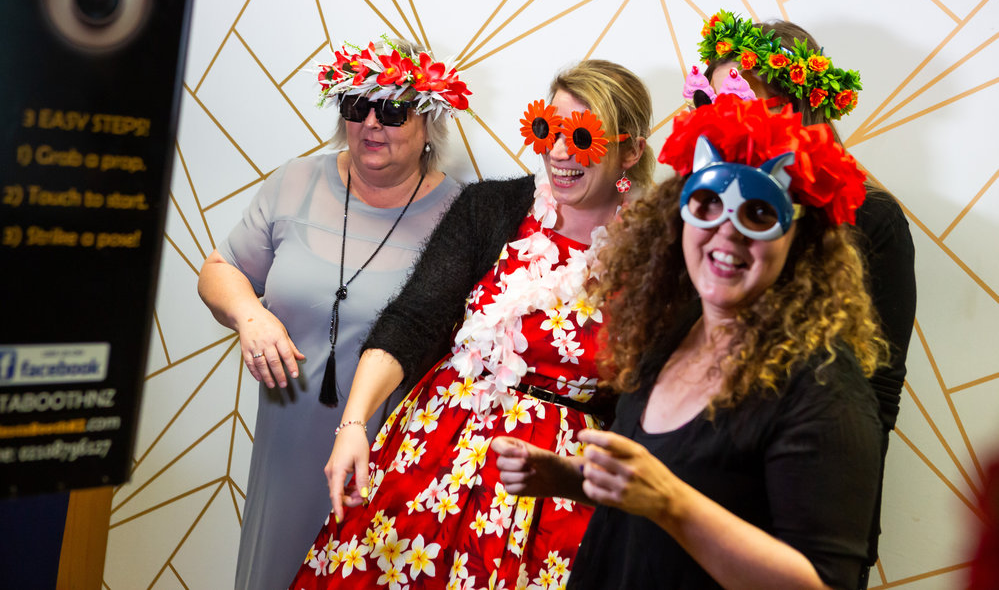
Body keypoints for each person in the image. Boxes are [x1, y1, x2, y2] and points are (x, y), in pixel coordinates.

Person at [495, 94, 887, 589]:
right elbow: (667, 481)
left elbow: (822, 583)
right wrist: (571, 480)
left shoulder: (824, 390)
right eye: (709, 204)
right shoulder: (671, 331)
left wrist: (671, 504)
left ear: (801, 241)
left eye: (759, 213)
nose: (727, 233)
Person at [288, 59, 654, 589]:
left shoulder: (654, 253)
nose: (558, 152)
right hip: (430, 461)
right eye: (548, 129)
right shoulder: (492, 208)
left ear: (631, 151)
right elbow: (414, 319)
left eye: (581, 136)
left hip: (552, 497)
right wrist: (354, 424)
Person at [197, 37, 470, 590]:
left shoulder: (461, 215)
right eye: (357, 105)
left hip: (390, 456)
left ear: (429, 122)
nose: (371, 123)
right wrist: (250, 315)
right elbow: (219, 270)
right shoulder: (294, 183)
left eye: (392, 110)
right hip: (286, 444)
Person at [694, 12, 917, 585]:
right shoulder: (703, 207)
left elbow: (879, 387)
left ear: (797, 108)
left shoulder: (870, 218)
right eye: (712, 103)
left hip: (806, 497)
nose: (724, 120)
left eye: (742, 102)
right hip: (700, 477)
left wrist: (837, 521)